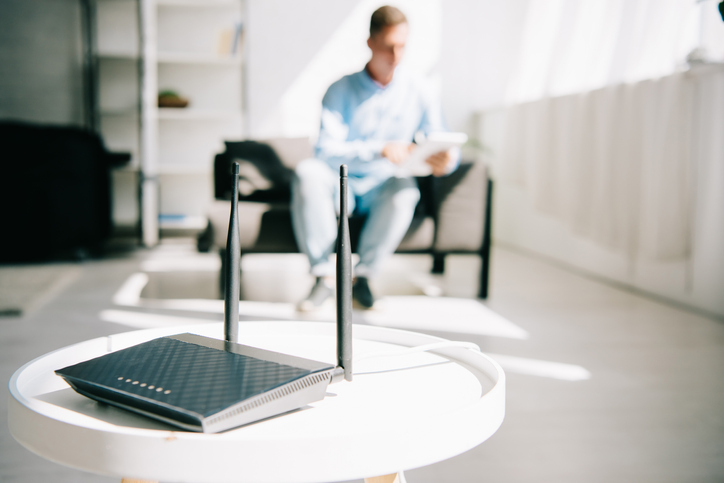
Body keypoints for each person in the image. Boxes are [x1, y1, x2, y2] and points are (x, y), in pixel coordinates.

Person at [291, 5, 458, 311]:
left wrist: (447, 160)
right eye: (388, 47)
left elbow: (442, 138)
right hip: (340, 184)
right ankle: (324, 277)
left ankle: (363, 278)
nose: (395, 56)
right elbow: (325, 151)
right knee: (307, 172)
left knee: (405, 188)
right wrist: (379, 148)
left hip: (384, 185)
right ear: (370, 43)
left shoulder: (420, 90)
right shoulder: (339, 90)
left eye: (402, 47)